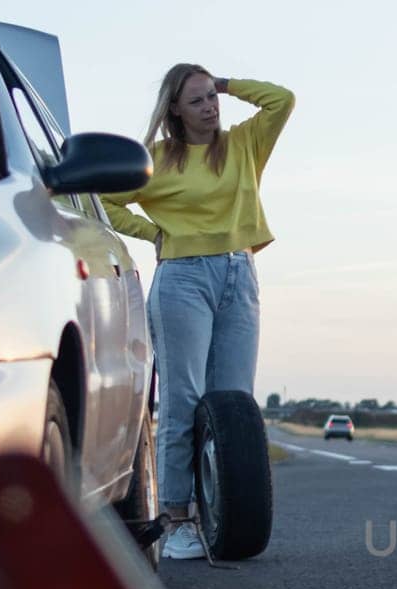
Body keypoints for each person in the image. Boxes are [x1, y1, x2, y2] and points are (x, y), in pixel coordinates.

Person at [103, 65, 295, 560]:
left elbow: (282, 99)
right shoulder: (156, 159)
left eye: (213, 98)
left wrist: (227, 82)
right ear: (175, 111)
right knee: (183, 400)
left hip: (239, 272)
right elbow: (104, 202)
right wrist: (154, 235)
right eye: (198, 101)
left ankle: (222, 515)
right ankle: (177, 519)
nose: (210, 107)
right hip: (182, 279)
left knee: (233, 402)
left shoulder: (243, 144)